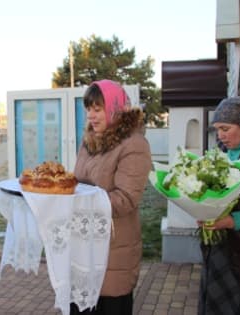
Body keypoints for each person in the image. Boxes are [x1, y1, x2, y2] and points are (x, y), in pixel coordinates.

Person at [72, 80, 152, 315]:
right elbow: (79, 182)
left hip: (113, 250)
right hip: (83, 245)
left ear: (116, 107)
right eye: (88, 109)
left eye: (97, 109)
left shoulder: (134, 144)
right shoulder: (89, 142)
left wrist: (78, 202)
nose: (91, 116)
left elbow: (126, 199)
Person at [197, 96, 240, 315]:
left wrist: (232, 220)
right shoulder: (220, 155)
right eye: (217, 130)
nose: (221, 135)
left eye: (226, 128)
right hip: (219, 249)